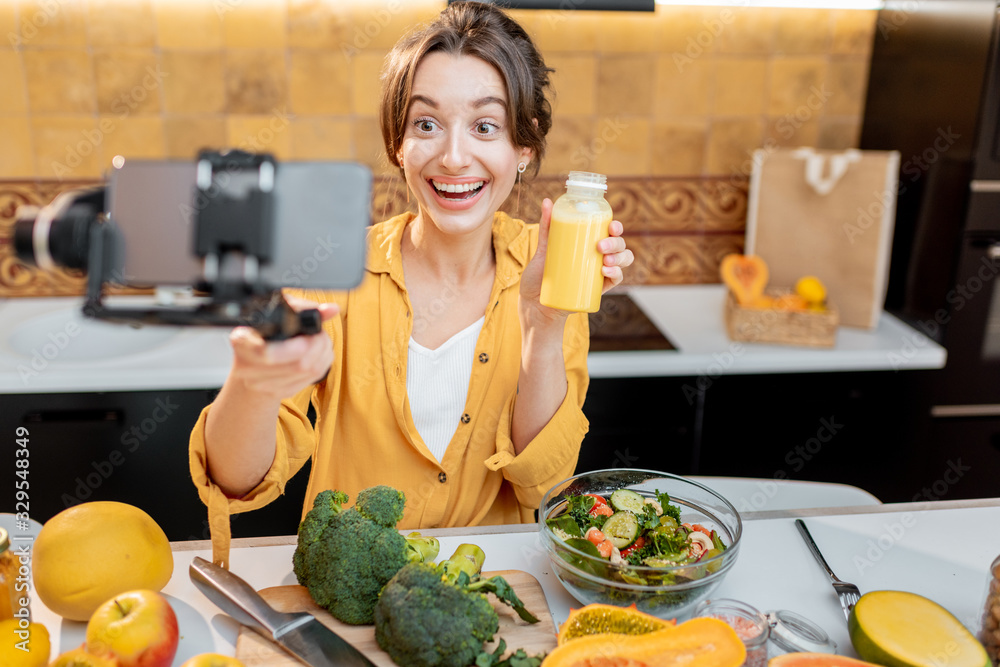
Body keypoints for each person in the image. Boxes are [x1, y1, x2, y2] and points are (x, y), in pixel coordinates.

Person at [189, 0, 634, 567]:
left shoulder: (551, 266)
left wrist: (543, 326)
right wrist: (250, 384)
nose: (452, 157)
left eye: (485, 126)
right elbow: (236, 482)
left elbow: (542, 487)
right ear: (398, 144)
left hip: (493, 598)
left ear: (523, 146)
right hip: (349, 607)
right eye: (426, 124)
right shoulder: (333, 271)